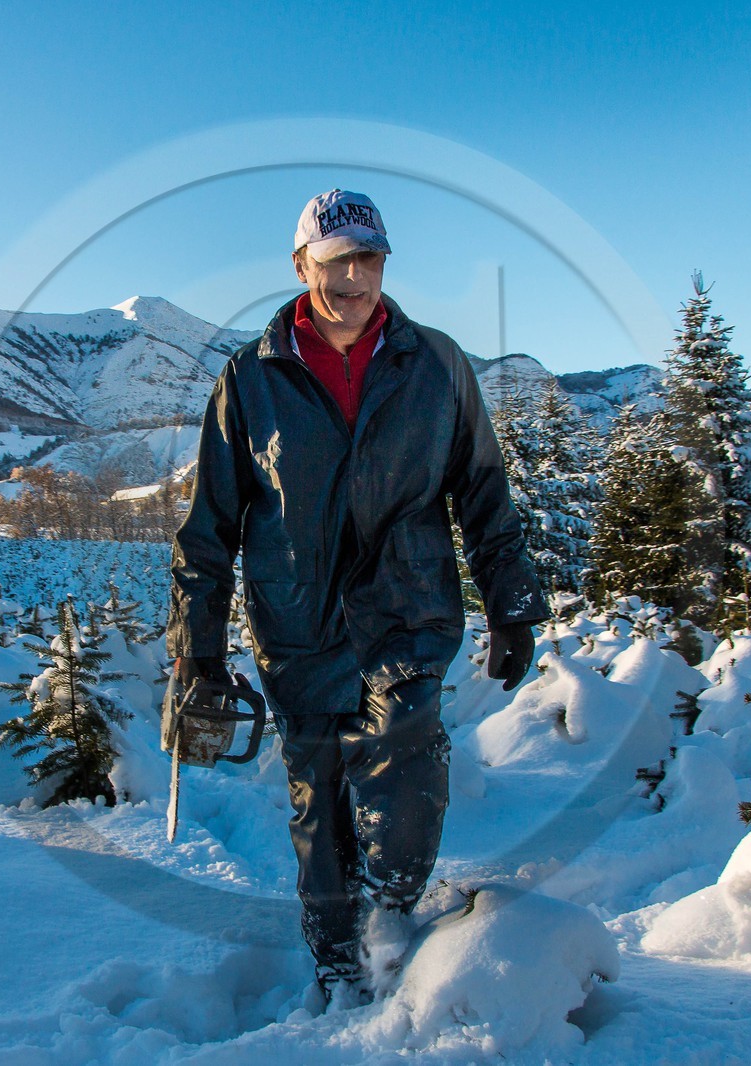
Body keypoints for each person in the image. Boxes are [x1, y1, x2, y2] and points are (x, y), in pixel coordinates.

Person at [166, 189, 546, 1005]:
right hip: (295, 620)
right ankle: (339, 959)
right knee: (320, 797)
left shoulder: (435, 364)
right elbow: (210, 527)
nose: (353, 276)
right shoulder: (251, 378)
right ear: (302, 265)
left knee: (407, 759)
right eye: (336, 260)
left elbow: (483, 491)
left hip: (407, 607)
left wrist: (511, 602)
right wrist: (198, 648)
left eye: (368, 258)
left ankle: (391, 912)